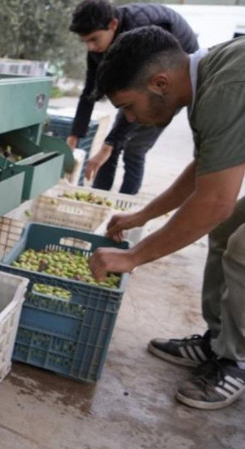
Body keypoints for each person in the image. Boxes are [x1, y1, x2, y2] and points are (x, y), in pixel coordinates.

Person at [89, 26, 245, 410]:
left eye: (128, 106)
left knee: (242, 247)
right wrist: (143, 215)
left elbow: (215, 201)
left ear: (159, 83)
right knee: (225, 231)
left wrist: (133, 256)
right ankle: (219, 341)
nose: (130, 118)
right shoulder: (208, 78)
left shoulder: (224, 88)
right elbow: (207, 169)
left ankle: (237, 360)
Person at [67, 0, 197, 194]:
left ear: (113, 24)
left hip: (172, 83)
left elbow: (144, 90)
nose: (90, 47)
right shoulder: (97, 48)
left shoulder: (142, 32)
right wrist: (75, 134)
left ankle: (125, 202)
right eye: (85, 42)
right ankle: (99, 195)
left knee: (134, 148)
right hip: (143, 82)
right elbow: (89, 92)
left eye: (94, 39)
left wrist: (110, 143)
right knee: (111, 145)